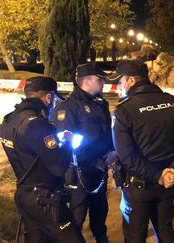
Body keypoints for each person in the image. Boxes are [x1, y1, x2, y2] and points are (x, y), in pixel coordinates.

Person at [109, 60, 174, 243]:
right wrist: (172, 171)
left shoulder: (124, 110)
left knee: (134, 236)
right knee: (165, 230)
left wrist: (158, 175)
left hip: (139, 187)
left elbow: (127, 157)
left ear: (131, 80)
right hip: (167, 184)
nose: (119, 86)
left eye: (120, 81)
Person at [0, 76, 85, 243]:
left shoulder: (9, 121)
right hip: (46, 201)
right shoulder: (38, 125)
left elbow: (28, 150)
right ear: (49, 97)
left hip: (25, 197)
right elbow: (59, 167)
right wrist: (67, 143)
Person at [51, 63, 114, 243]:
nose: (103, 82)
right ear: (86, 81)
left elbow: (105, 134)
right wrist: (95, 161)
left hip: (100, 170)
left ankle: (101, 238)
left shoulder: (100, 104)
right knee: (77, 217)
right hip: (79, 172)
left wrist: (111, 152)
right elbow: (65, 143)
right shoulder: (68, 107)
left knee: (100, 212)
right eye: (99, 79)